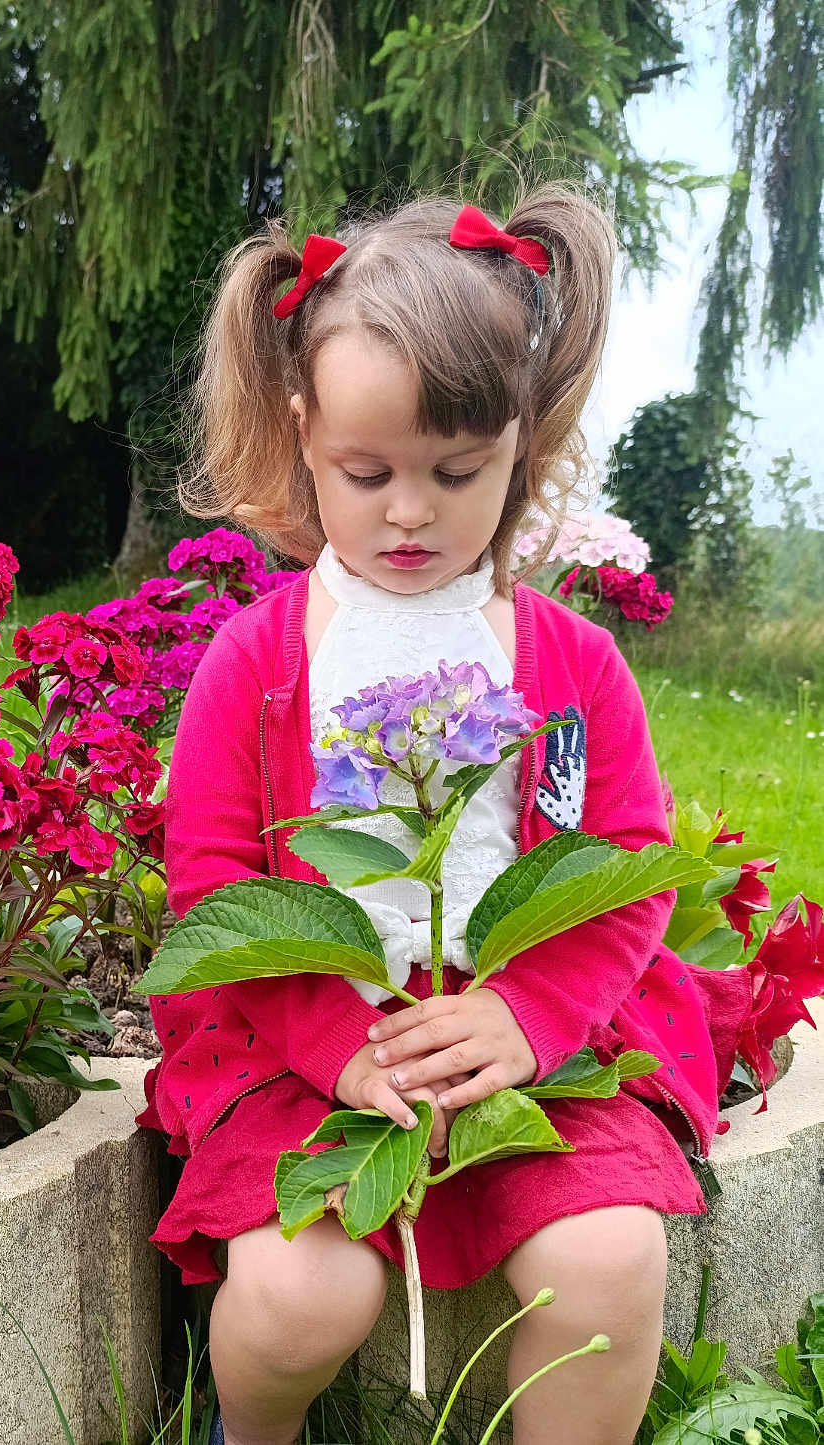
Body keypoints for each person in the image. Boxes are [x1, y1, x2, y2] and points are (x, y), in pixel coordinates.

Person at [135, 185, 752, 1445]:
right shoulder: (255, 663)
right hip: (301, 1040)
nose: (408, 511)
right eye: (366, 473)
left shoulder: (567, 663)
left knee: (607, 1265)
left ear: (520, 444)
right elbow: (212, 887)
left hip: (532, 1040)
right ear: (302, 435)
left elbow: (619, 859)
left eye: (454, 471)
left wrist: (525, 1014)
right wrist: (336, 1042)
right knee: (303, 1288)